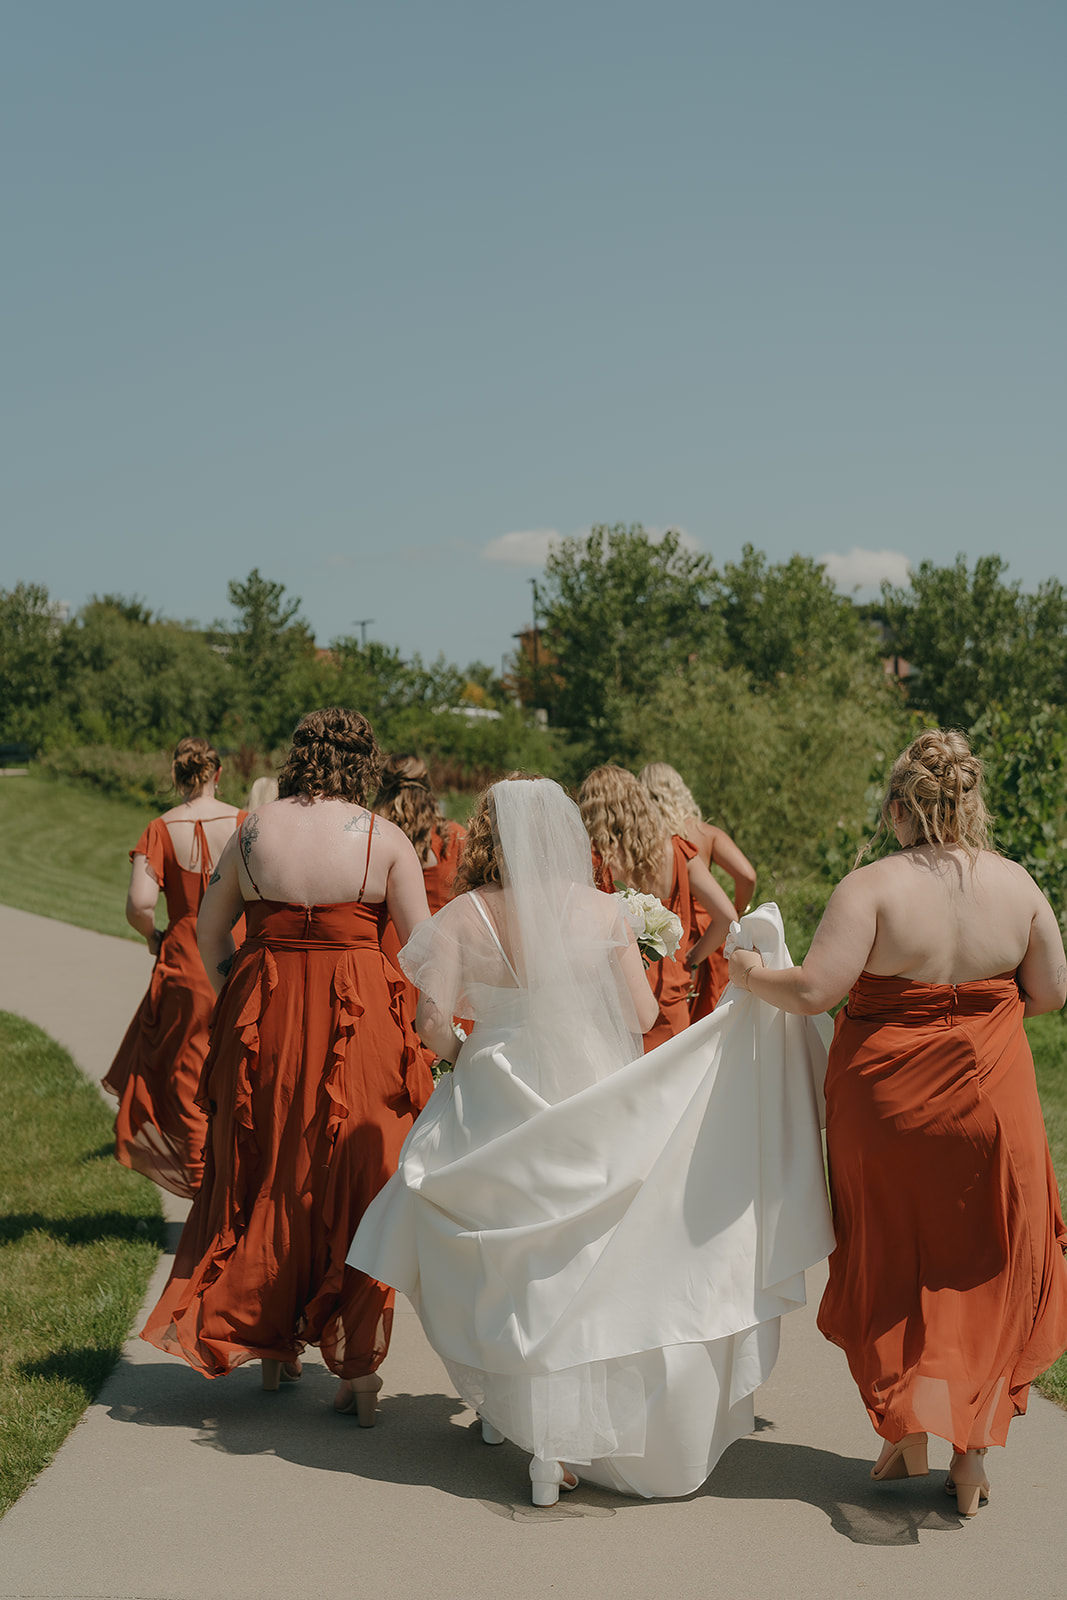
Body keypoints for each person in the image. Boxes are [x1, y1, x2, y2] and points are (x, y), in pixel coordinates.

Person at [348, 777, 835, 1505]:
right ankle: (557, 1439)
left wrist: (464, 1053)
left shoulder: (460, 914)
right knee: (576, 1261)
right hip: (584, 1095)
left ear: (487, 836)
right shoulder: (604, 911)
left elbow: (429, 1023)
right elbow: (641, 1016)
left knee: (505, 1254)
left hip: (494, 1091)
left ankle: (511, 1415)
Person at [729, 728, 1067, 1516]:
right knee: (981, 1263)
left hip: (887, 1107)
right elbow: (1048, 993)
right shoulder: (1018, 885)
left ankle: (903, 1430)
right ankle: (968, 1458)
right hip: (992, 1102)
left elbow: (815, 990)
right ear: (969, 800)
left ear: (897, 808)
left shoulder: (870, 887)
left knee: (892, 1256)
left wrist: (748, 973)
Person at [141, 707, 435, 1420]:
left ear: (300, 756)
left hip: (264, 1013)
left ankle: (272, 1354)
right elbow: (426, 951)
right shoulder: (383, 837)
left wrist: (237, 992)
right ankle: (358, 1374)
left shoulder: (253, 830)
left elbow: (210, 932)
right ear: (364, 762)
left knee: (268, 1167)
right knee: (361, 1176)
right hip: (357, 1020)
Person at [103, 737, 244, 1198]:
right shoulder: (245, 823)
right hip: (240, 949)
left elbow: (140, 903)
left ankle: (202, 1184)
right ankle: (242, 1176)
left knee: (187, 1070)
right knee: (244, 1063)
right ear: (217, 774)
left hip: (186, 953)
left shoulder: (160, 829)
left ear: (176, 776)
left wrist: (151, 936)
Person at [577, 765, 735, 1048]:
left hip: (619, 1000)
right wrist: (692, 958)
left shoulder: (594, 862)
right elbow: (726, 917)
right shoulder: (676, 850)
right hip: (671, 992)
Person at [639, 761, 756, 1017]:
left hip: (670, 934)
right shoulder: (706, 833)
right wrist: (737, 909)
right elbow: (747, 875)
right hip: (712, 934)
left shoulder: (647, 839)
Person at [374, 754, 470, 1061]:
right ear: (428, 788)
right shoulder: (453, 835)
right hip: (445, 957)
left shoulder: (372, 836)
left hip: (390, 952)